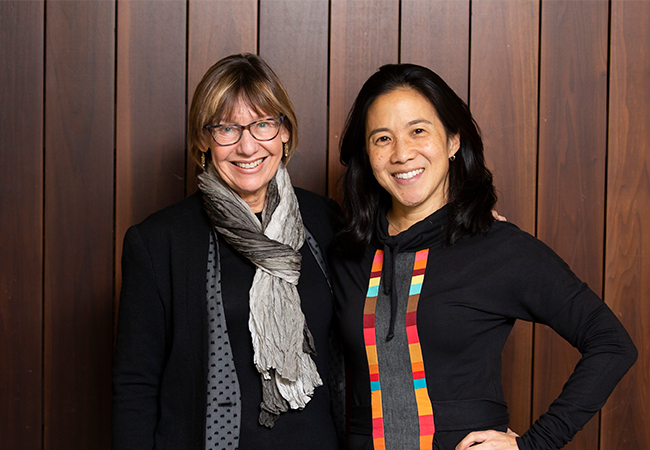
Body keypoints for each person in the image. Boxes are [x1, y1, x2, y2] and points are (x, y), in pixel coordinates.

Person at [330, 63, 637, 450]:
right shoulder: (346, 250)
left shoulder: (497, 247)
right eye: (382, 138)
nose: (402, 153)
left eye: (418, 131)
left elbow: (611, 343)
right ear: (366, 152)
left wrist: (534, 444)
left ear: (453, 141)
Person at [112, 53, 342, 449]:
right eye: (226, 129)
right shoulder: (158, 241)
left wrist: (474, 220)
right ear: (203, 140)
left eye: (263, 124)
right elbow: (135, 384)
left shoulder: (326, 221)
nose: (247, 145)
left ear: (284, 132)